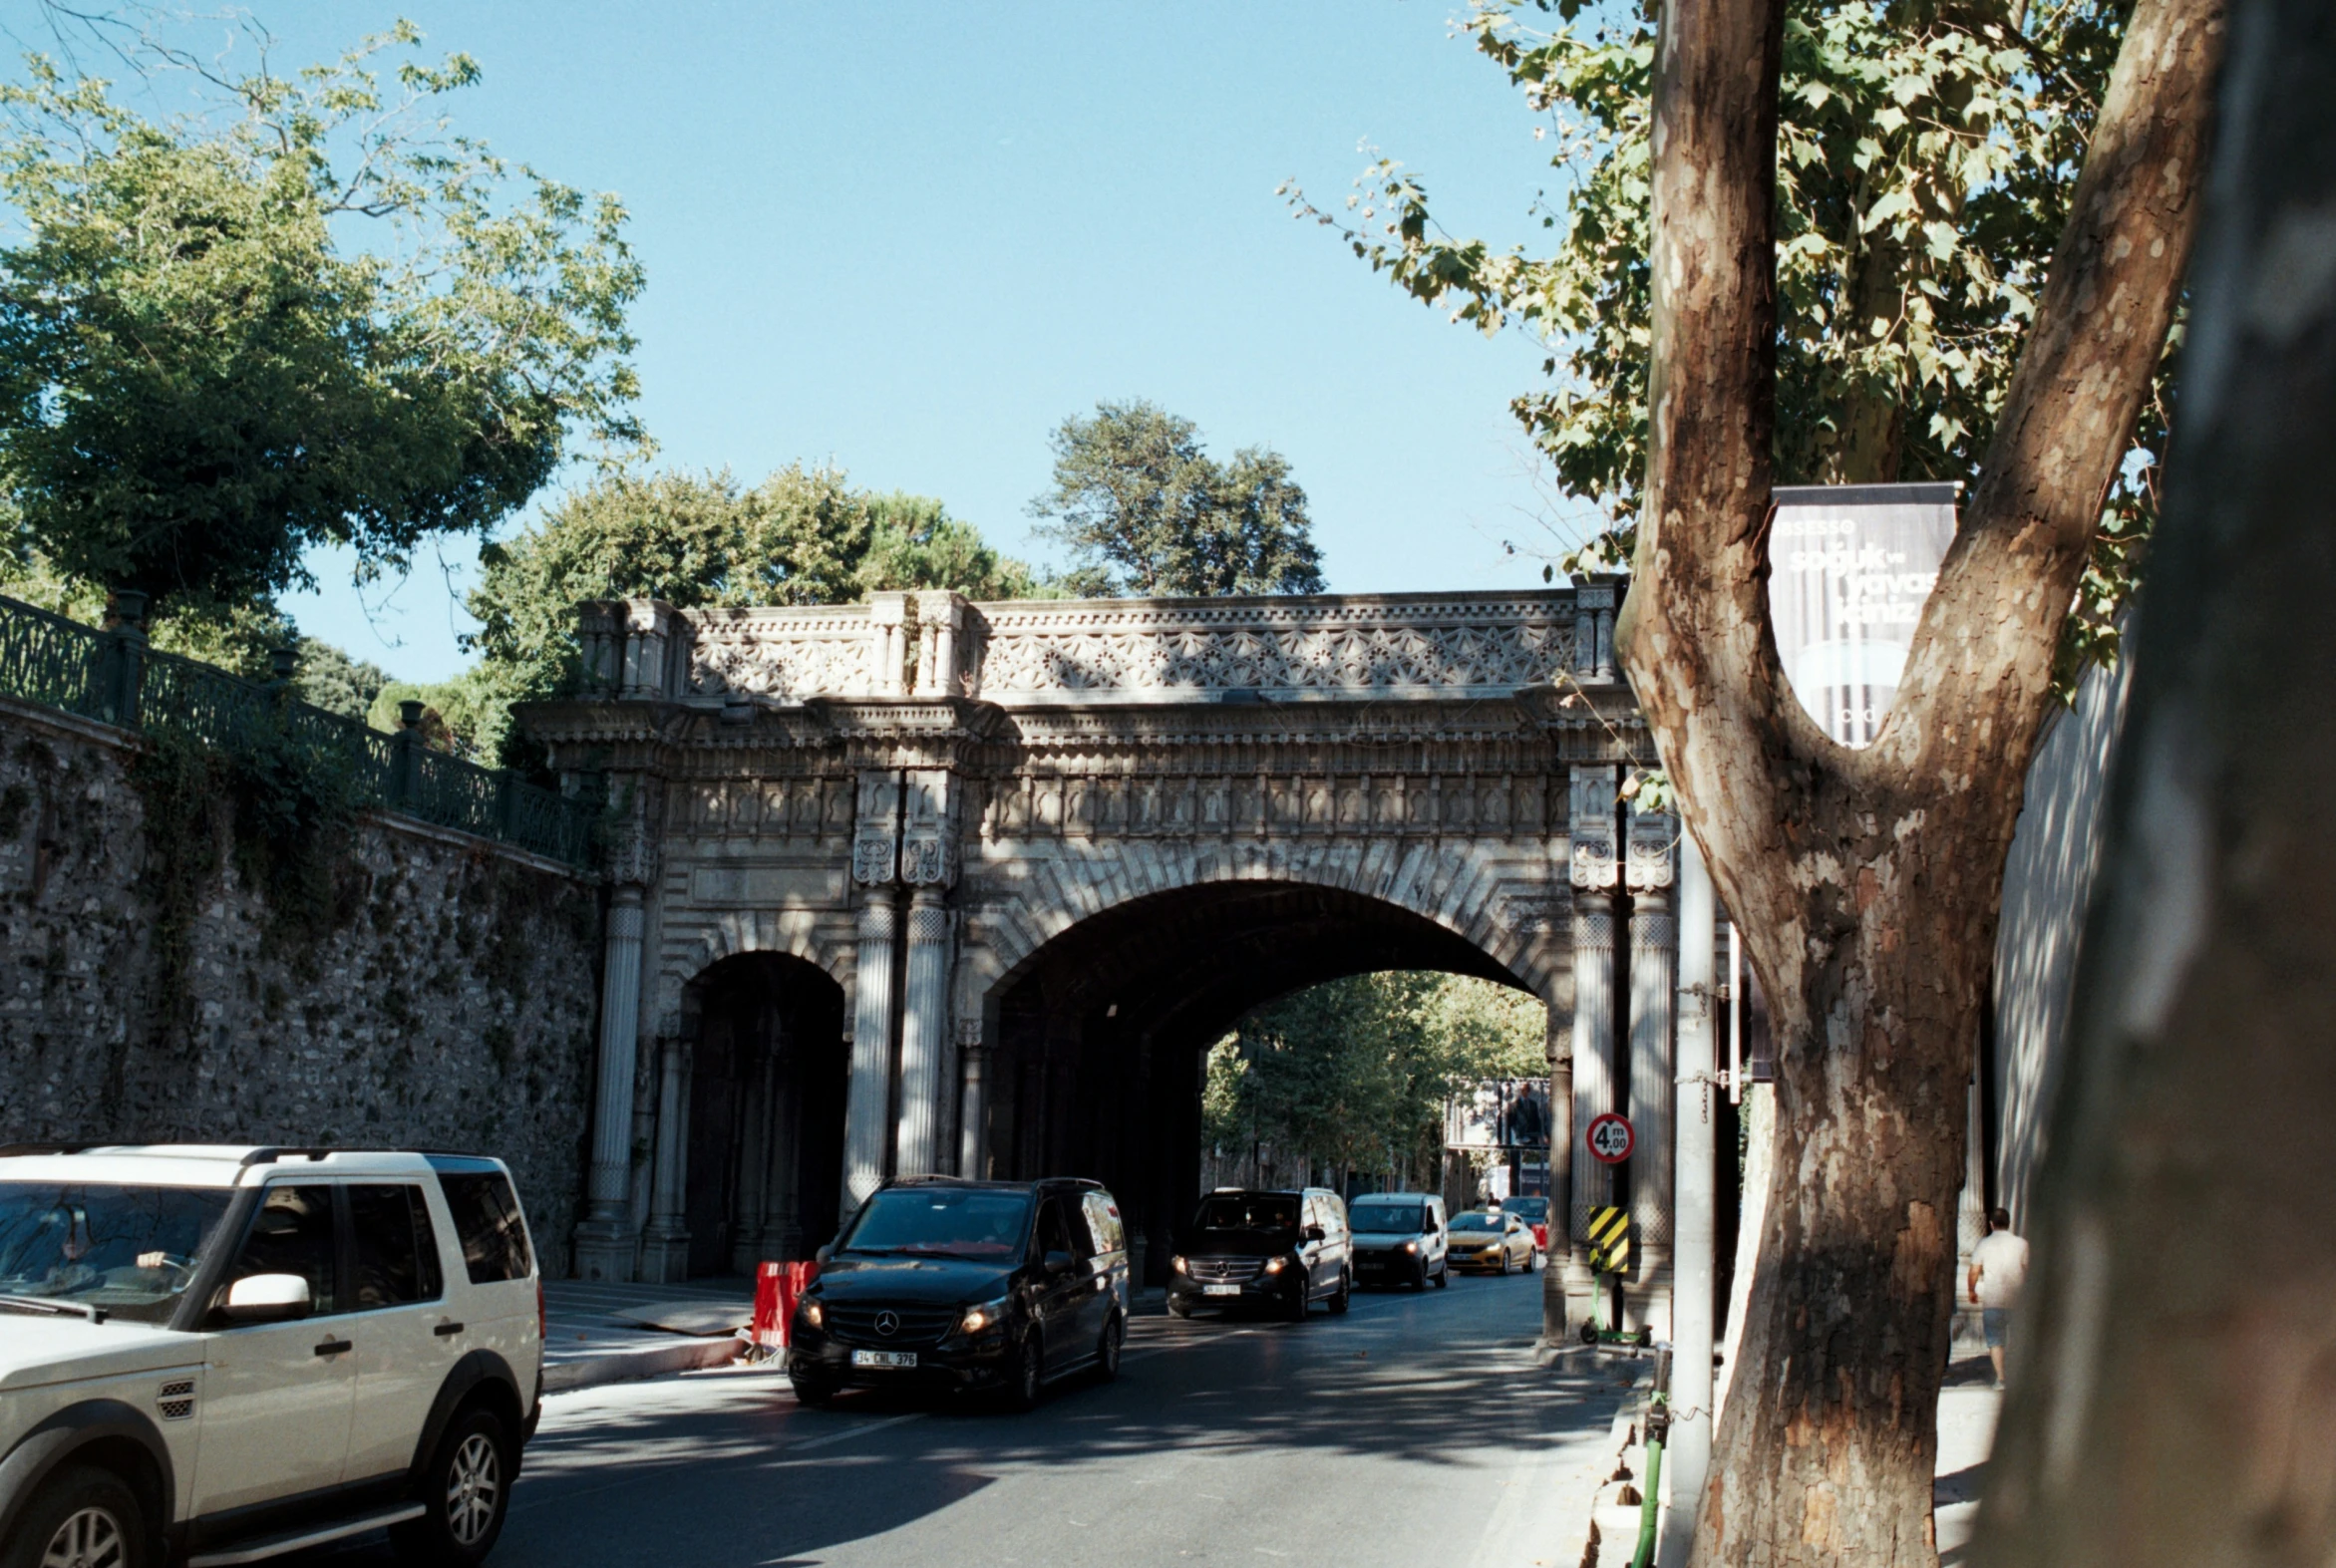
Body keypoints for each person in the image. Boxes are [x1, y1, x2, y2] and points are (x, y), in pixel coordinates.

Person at [1967, 1207, 2029, 1390]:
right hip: (2017, 1299)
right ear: (2009, 1223)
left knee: (1995, 1341)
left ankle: (2001, 1379)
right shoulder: (2022, 1244)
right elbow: (2029, 1269)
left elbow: (1974, 1271)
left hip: (1993, 1299)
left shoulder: (1983, 1244)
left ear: (1991, 1224)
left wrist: (1971, 1290)